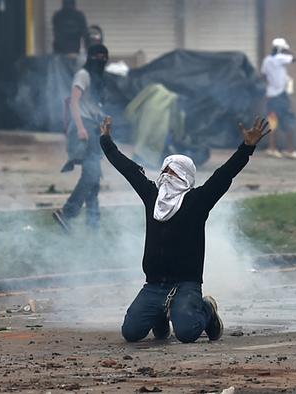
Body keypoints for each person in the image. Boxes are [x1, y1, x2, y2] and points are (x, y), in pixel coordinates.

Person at [99, 116, 272, 343]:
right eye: (165, 171)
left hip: (186, 284)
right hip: (154, 284)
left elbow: (224, 175)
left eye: (173, 173)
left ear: (185, 177)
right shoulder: (152, 196)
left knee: (187, 333)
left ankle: (207, 310)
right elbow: (127, 169)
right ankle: (160, 315)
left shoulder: (197, 200)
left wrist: (246, 148)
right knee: (130, 332)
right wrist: (106, 140)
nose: (166, 177)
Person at [53, 44, 109, 233]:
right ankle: (67, 213)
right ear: (91, 57)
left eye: (104, 56)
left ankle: (93, 225)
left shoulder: (97, 78)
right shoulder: (83, 75)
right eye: (97, 55)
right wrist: (80, 128)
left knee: (93, 178)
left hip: (93, 128)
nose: (100, 59)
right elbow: (74, 101)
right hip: (84, 128)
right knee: (91, 174)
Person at [261, 38, 296, 160]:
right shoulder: (280, 58)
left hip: (270, 95)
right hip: (280, 95)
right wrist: (289, 50)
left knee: (273, 121)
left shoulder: (267, 60)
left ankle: (272, 148)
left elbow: (263, 75)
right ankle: (290, 150)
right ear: (281, 49)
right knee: (289, 120)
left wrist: (271, 86)